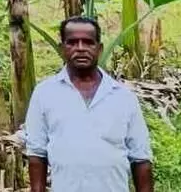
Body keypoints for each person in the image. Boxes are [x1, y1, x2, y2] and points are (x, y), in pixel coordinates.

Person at [24, 16, 154, 192]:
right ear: (62, 48)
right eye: (72, 42)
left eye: (88, 42)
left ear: (99, 49)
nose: (80, 48)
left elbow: (141, 159)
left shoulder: (123, 97)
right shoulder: (45, 93)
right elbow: (37, 155)